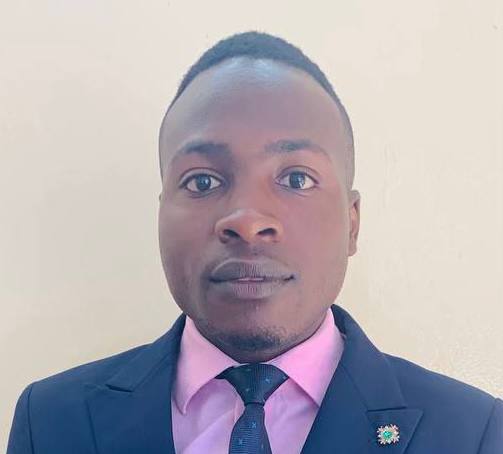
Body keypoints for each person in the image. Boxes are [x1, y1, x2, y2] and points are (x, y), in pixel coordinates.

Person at [7, 31, 502, 454]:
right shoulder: (51, 422)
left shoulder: (473, 433)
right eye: (202, 181)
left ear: (352, 224)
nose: (247, 221)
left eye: (296, 179)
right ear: (161, 212)